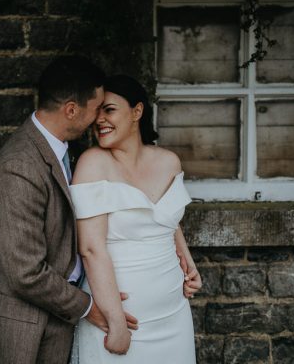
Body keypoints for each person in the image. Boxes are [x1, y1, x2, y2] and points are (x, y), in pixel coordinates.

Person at [0, 56, 138, 364]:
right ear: (71, 109)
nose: (98, 119)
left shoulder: (66, 150)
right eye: (96, 109)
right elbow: (25, 273)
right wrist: (88, 307)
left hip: (59, 315)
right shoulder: (19, 166)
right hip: (27, 324)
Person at [69, 75, 202, 363]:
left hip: (173, 314)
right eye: (97, 112)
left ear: (137, 112)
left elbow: (165, 217)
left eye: (110, 109)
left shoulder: (169, 161)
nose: (100, 119)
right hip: (122, 318)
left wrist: (187, 258)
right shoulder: (93, 163)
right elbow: (91, 249)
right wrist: (116, 322)